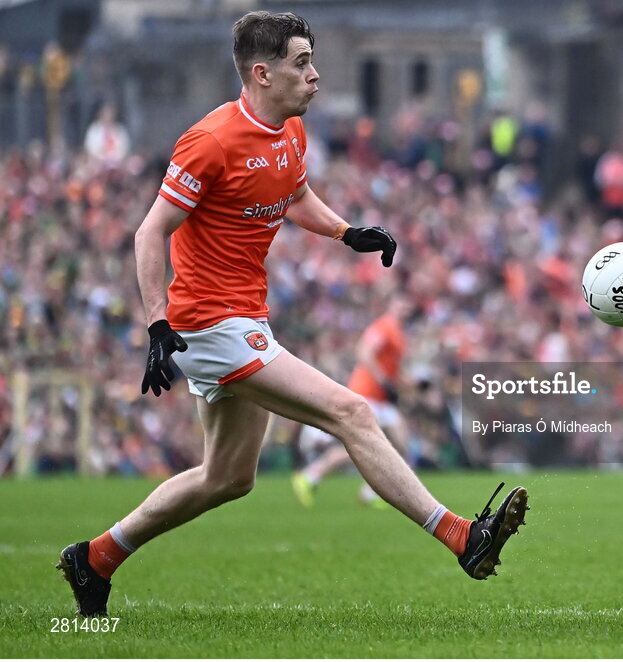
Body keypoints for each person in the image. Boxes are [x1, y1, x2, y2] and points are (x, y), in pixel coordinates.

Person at [56, 11, 528, 617]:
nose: (314, 75)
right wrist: (156, 324)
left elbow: (295, 193)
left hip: (245, 317)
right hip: (208, 324)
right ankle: (462, 536)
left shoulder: (291, 132)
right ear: (262, 73)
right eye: (301, 63)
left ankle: (95, 558)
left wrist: (345, 232)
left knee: (228, 477)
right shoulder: (210, 141)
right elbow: (150, 232)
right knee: (352, 412)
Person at [292, 296, 415, 508]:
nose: (404, 310)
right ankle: (311, 474)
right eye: (401, 305)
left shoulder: (399, 334)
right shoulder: (384, 326)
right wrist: (383, 381)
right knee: (363, 444)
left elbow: (393, 370)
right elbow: (365, 352)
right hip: (368, 393)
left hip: (382, 398)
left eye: (407, 306)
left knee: (399, 444)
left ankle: (370, 491)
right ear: (390, 306)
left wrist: (413, 384)